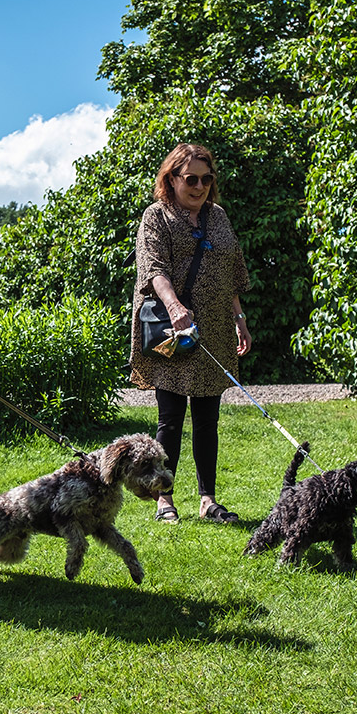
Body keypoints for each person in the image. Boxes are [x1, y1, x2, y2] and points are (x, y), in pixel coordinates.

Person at [129, 143, 252, 524]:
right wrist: (176, 307)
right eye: (191, 179)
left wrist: (239, 317)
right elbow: (152, 269)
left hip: (214, 328)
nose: (199, 186)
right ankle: (164, 499)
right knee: (170, 418)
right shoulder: (157, 217)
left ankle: (207, 500)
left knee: (207, 418)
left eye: (206, 178)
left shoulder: (218, 216)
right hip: (173, 327)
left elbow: (231, 270)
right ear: (171, 179)